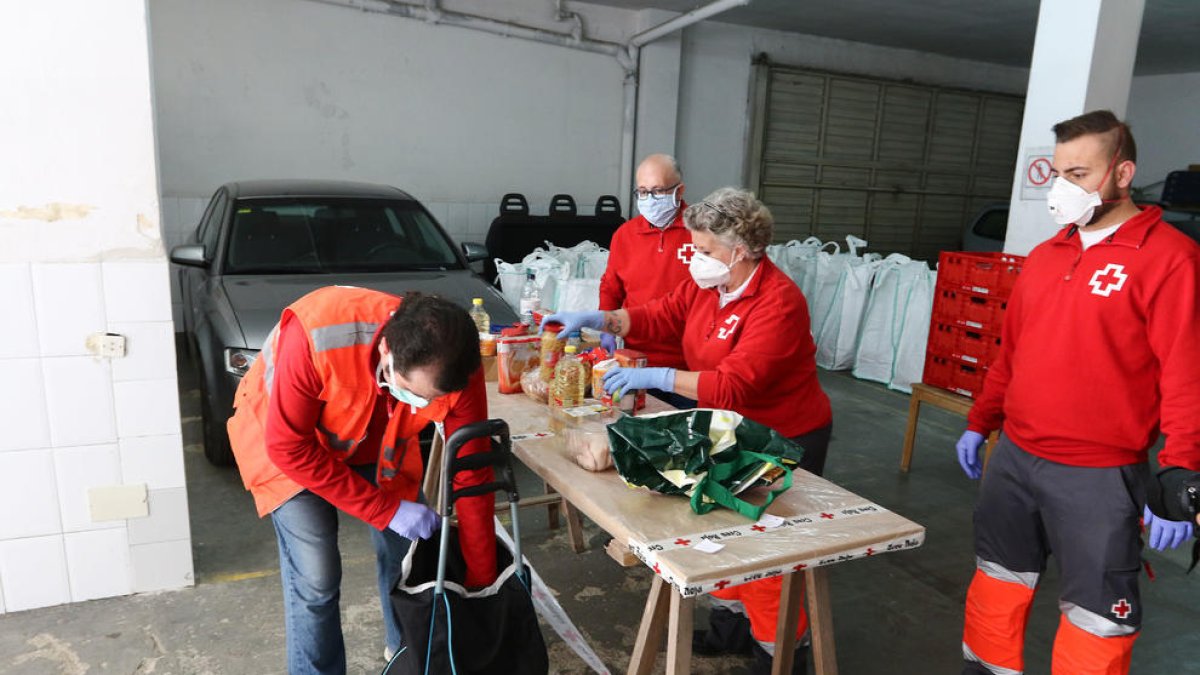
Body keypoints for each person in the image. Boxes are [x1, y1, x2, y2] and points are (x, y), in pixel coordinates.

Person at [546, 187, 833, 675]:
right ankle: (732, 630)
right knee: (722, 535)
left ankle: (783, 653)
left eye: (703, 250)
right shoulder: (708, 286)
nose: (695, 259)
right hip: (731, 429)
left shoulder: (778, 302)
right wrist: (600, 318)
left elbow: (733, 385)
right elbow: (660, 313)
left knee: (767, 551)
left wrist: (654, 377)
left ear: (739, 251)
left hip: (784, 437)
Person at [955, 110, 1200, 675]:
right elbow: (1011, 354)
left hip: (1098, 474)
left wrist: (1181, 469)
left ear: (1122, 173)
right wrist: (980, 420)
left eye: (1081, 173)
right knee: (997, 580)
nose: (1064, 187)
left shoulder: (1170, 260)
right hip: (1014, 458)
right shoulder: (1046, 257)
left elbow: (1186, 375)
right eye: (1059, 172)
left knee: (1097, 614)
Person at [226, 287, 496, 675]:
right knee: (317, 577)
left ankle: (407, 655)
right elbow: (288, 447)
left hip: (374, 439)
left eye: (428, 399)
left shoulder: (458, 365)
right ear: (387, 351)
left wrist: (480, 581)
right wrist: (384, 509)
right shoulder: (317, 332)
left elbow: (473, 473)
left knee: (410, 557)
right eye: (413, 392)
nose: (420, 403)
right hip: (286, 442)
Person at [598, 154, 694, 405]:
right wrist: (606, 321)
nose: (649, 199)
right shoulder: (626, 235)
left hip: (688, 365)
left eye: (657, 191)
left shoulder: (701, 233)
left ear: (679, 190)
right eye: (642, 191)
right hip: (635, 360)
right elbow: (611, 286)